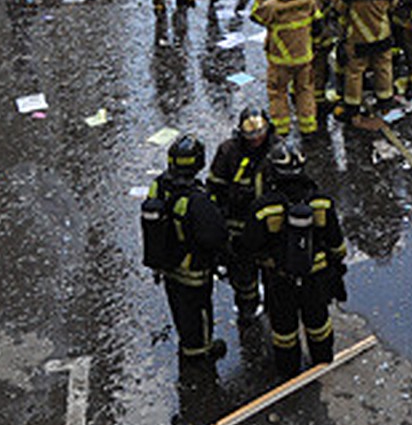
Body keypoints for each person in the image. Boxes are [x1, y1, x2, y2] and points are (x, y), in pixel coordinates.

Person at [244, 145, 346, 379]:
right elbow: (337, 244)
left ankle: (289, 372)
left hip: (279, 279)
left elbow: (250, 245)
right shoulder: (321, 202)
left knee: (284, 330)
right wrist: (335, 267)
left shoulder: (263, 208)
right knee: (319, 323)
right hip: (315, 277)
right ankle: (322, 361)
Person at [141, 134, 228, 366]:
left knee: (180, 309)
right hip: (193, 270)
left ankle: (189, 345)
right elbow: (214, 237)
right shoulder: (196, 200)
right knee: (199, 314)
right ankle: (201, 355)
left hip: (168, 265)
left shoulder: (158, 185)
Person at [207, 108, 275, 324]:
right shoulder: (228, 151)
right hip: (239, 225)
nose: (256, 139)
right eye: (250, 135)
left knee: (273, 271)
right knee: (243, 273)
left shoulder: (277, 148)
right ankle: (248, 308)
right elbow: (214, 186)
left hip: (268, 226)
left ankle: (275, 305)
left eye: (260, 133)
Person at [250, 0, 320, 136]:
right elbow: (317, 21)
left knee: (278, 93)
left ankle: (281, 129)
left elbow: (255, 16)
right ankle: (308, 127)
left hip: (280, 60)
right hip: (304, 57)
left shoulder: (271, 6)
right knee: (304, 91)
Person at [334, 0, 395, 125]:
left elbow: (339, 9)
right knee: (383, 68)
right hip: (382, 37)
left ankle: (352, 106)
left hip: (358, 39)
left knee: (354, 72)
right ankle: (385, 101)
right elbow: (393, 6)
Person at [298, 0, 338, 107]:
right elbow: (316, 23)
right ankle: (317, 102)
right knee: (318, 71)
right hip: (316, 42)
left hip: (307, 42)